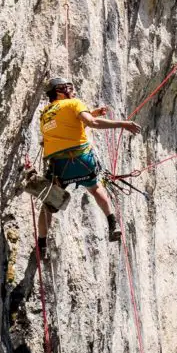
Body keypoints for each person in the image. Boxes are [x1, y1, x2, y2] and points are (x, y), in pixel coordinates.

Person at [35, 76, 141, 254]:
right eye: (70, 88)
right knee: (96, 188)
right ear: (60, 91)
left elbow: (69, 127)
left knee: (48, 204)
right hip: (82, 161)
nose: (74, 92)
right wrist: (123, 124)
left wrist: (92, 113)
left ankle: (42, 243)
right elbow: (90, 124)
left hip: (59, 167)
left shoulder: (45, 114)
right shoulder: (74, 103)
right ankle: (112, 223)